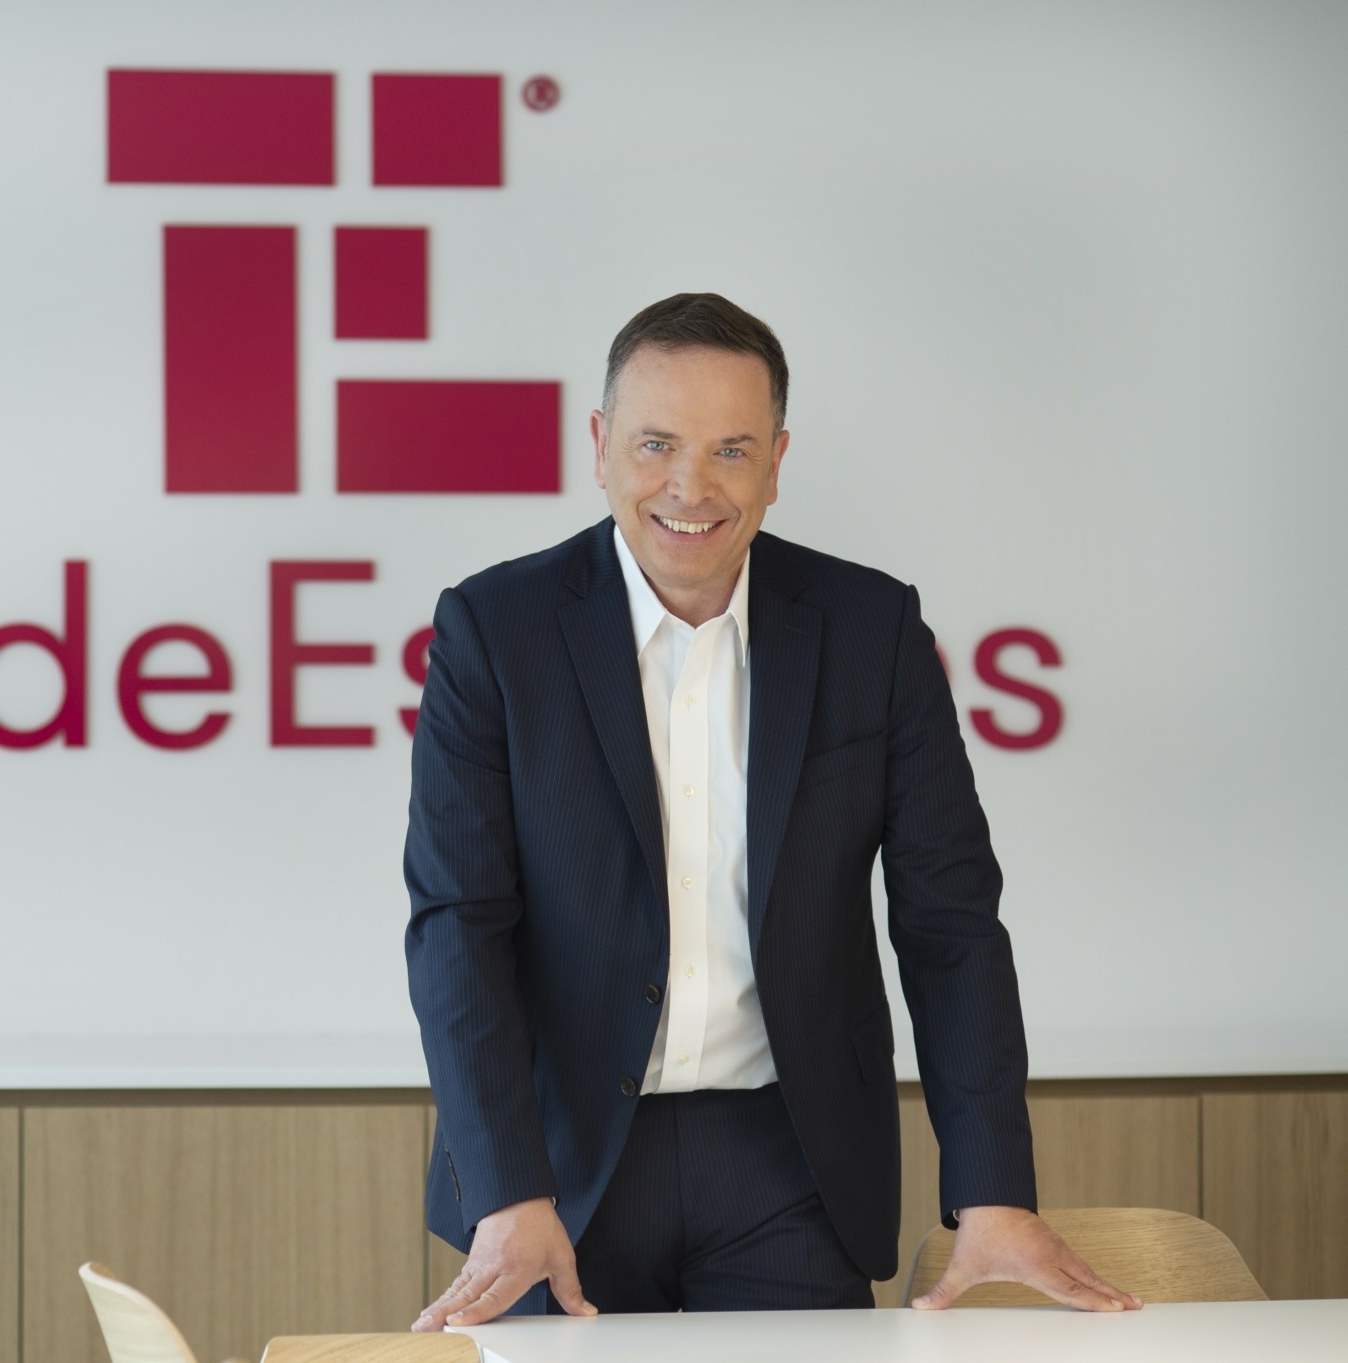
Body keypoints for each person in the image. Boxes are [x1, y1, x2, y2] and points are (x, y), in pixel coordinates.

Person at [403, 294, 1142, 1321]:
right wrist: (506, 1188)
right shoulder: (493, 630)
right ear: (600, 446)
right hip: (555, 1167)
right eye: (655, 444)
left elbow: (951, 924)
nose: (690, 486)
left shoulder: (871, 630)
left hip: (788, 1163)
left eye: (731, 450)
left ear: (777, 461)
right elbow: (458, 925)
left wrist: (992, 1190)